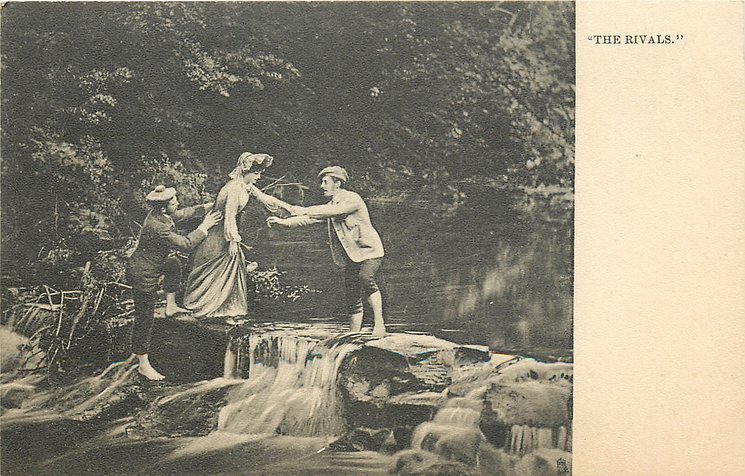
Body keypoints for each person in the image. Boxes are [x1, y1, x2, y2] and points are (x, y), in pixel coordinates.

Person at [266, 166, 386, 337]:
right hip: (351, 255)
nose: (322, 186)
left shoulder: (352, 199)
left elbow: (329, 212)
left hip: (370, 251)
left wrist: (300, 209)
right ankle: (353, 333)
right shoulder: (331, 205)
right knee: (351, 292)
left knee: (365, 278)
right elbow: (310, 219)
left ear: (337, 183)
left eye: (325, 182)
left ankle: (379, 324)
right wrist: (284, 222)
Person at [183, 152, 296, 319]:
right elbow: (229, 215)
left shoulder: (245, 186)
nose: (259, 177)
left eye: (260, 173)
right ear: (245, 171)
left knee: (233, 266)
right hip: (217, 236)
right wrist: (233, 240)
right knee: (219, 269)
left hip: (225, 234)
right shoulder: (234, 188)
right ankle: (207, 309)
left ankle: (227, 309)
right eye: (256, 173)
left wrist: (290, 208)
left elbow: (266, 199)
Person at [126, 185, 222, 380]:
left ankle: (170, 306)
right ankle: (143, 364)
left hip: (153, 263)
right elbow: (186, 244)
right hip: (143, 273)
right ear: (163, 207)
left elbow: (183, 214)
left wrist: (211, 206)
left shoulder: (161, 214)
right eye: (173, 201)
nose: (177, 203)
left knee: (173, 264)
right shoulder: (157, 226)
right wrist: (204, 226)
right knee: (145, 318)